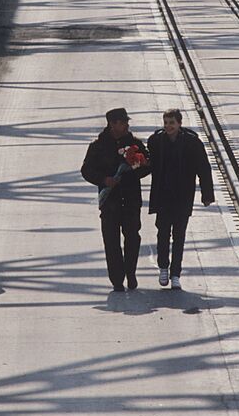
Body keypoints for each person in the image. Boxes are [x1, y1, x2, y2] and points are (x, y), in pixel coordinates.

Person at [81, 108, 150, 292]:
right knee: (111, 241)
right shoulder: (98, 146)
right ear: (113, 124)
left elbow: (147, 166)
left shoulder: (135, 144)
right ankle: (117, 279)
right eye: (123, 122)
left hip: (131, 199)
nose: (127, 124)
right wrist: (104, 180)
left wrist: (139, 164)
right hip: (109, 202)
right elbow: (86, 170)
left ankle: (131, 272)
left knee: (133, 237)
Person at [147, 108, 214, 290]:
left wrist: (207, 195)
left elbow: (203, 168)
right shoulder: (156, 141)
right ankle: (163, 267)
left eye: (172, 123)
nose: (168, 126)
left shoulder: (192, 143)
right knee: (162, 233)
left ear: (179, 123)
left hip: (183, 196)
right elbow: (148, 163)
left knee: (179, 235)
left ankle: (176, 273)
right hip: (163, 194)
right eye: (166, 122)